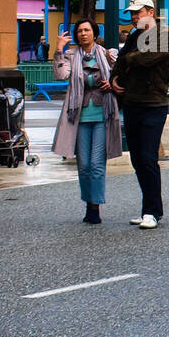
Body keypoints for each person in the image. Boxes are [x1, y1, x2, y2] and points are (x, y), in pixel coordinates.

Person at [50, 19, 122, 224]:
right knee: (83, 165)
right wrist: (58, 50)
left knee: (97, 164)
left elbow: (120, 78)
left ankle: (95, 207)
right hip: (79, 116)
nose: (83, 34)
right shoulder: (71, 56)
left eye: (87, 30)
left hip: (103, 115)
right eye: (80, 31)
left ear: (94, 32)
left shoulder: (108, 55)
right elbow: (60, 75)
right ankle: (87, 202)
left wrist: (112, 84)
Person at [110, 0, 169, 229]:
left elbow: (143, 59)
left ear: (150, 11)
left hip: (154, 104)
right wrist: (115, 78)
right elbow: (120, 61)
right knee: (138, 159)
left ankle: (153, 211)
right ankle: (148, 208)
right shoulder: (135, 36)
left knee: (147, 158)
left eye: (138, 12)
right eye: (133, 13)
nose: (134, 16)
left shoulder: (165, 35)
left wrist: (128, 59)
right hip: (133, 102)